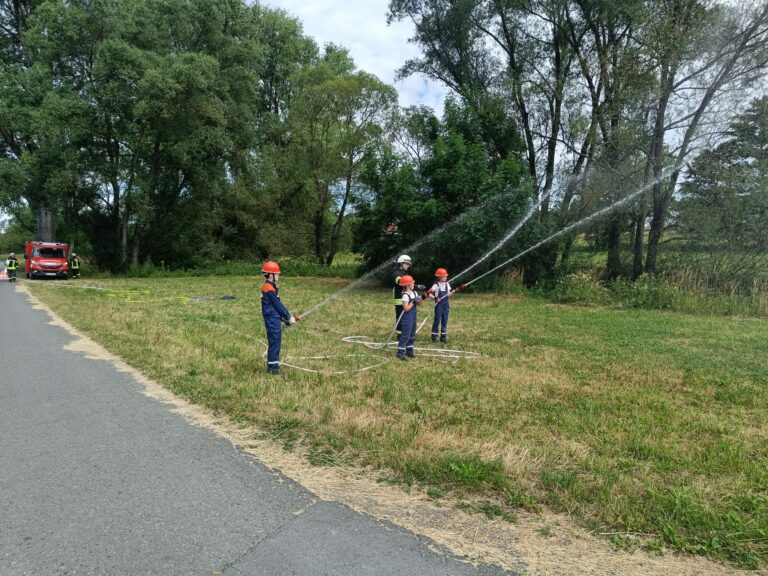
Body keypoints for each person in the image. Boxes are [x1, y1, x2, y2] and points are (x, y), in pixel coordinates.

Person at [260, 261, 300, 375]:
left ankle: (274, 366)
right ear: (270, 275)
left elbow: (274, 307)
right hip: (272, 320)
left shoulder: (270, 287)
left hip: (274, 318)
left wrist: (284, 319)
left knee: (276, 343)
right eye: (277, 273)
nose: (278, 275)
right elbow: (278, 305)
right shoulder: (268, 288)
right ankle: (272, 369)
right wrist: (288, 316)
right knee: (275, 344)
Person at [425, 267, 465, 344]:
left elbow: (448, 295)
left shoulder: (447, 284)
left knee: (444, 320)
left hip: (446, 305)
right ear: (439, 277)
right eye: (444, 276)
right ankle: (434, 337)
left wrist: (457, 289)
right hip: (439, 305)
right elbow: (428, 293)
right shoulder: (436, 285)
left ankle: (443, 337)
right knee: (437, 320)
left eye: (446, 276)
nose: (446, 277)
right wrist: (435, 298)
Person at [391, 254, 426, 335]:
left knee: (408, 318)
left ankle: (407, 334)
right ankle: (400, 337)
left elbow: (409, 283)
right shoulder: (396, 273)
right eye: (406, 264)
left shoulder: (404, 272)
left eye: (409, 264)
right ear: (401, 263)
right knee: (400, 319)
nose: (408, 266)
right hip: (400, 301)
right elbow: (402, 282)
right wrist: (417, 286)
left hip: (407, 300)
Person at [396, 274, 423, 361]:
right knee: (405, 335)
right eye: (412, 283)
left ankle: (409, 352)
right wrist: (413, 302)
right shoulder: (405, 295)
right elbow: (406, 308)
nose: (414, 284)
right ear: (408, 285)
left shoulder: (415, 293)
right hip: (407, 318)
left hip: (413, 316)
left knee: (412, 334)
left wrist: (420, 299)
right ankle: (400, 354)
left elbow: (419, 303)